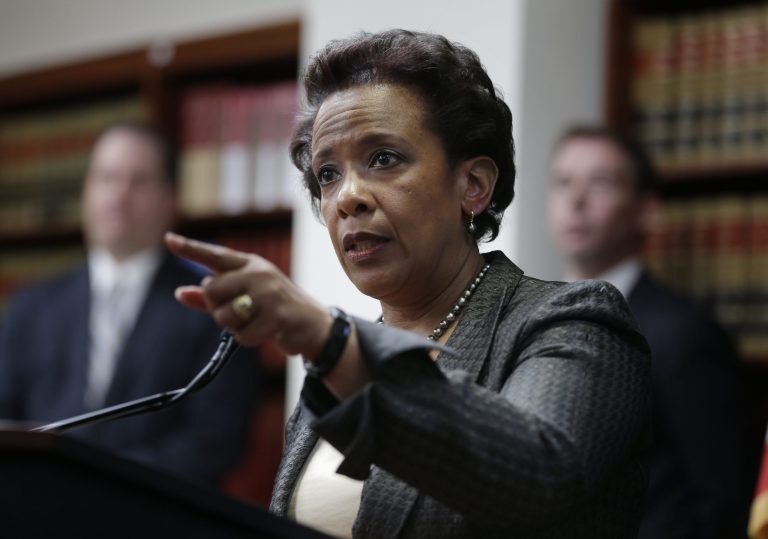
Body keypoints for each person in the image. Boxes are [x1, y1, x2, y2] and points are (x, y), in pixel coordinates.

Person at [164, 30, 651, 538]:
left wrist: (329, 340)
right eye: (327, 174)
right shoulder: (336, 371)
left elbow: (536, 478)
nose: (348, 197)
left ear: (473, 186)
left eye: (383, 158)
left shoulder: (572, 321)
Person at [0, 123, 259, 486]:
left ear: (169, 198)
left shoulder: (213, 305)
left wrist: (104, 486)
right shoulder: (31, 306)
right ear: (86, 192)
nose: (119, 194)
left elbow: (217, 439)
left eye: (138, 181)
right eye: (106, 178)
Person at [547, 125, 754, 538]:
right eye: (563, 182)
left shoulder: (685, 336)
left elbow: (722, 501)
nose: (576, 200)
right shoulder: (534, 317)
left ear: (645, 210)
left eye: (601, 183)